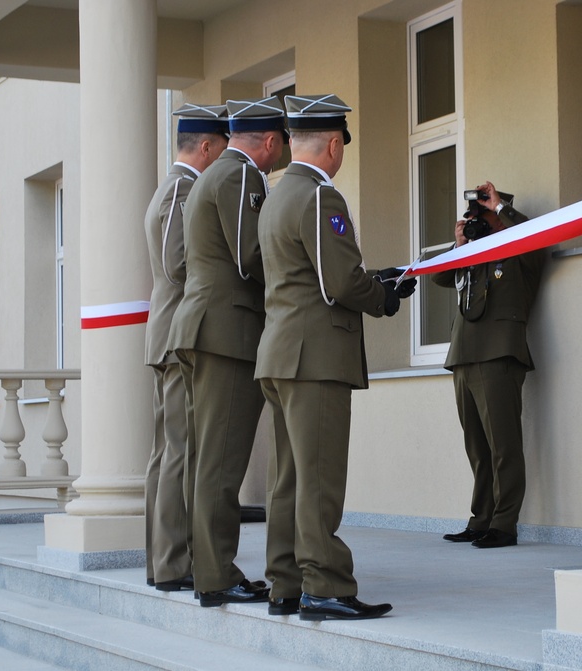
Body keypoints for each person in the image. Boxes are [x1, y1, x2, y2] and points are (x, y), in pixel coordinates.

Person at [256, 94, 416, 621]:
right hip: (315, 359)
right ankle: (325, 586)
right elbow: (342, 280)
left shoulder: (278, 195)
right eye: (341, 144)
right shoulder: (321, 198)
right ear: (332, 144)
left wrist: (377, 279)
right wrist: (385, 297)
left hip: (280, 354)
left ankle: (285, 583)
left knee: (290, 479)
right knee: (320, 478)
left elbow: (310, 274)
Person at [167, 96, 287, 608]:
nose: (280, 153)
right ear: (268, 141)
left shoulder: (212, 175)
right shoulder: (241, 177)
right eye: (281, 143)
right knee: (221, 461)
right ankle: (216, 574)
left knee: (206, 458)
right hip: (227, 334)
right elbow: (252, 255)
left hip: (207, 328)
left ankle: (209, 567)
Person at [433, 182, 546, 549]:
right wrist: (461, 244)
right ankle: (481, 519)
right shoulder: (472, 256)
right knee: (477, 449)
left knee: (503, 445)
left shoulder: (518, 252)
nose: (477, 223)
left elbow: (535, 239)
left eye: (482, 217)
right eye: (473, 219)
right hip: (464, 356)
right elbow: (439, 275)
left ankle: (504, 523)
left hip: (499, 354)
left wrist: (500, 210)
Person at [143, 103, 228, 592]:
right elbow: (179, 263)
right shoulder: (182, 189)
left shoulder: (167, 188)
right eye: (219, 149)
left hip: (167, 334)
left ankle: (163, 561)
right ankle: (173, 564)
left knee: (167, 452)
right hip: (180, 337)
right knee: (180, 451)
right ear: (205, 146)